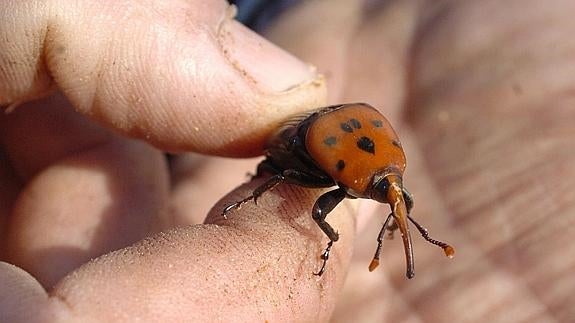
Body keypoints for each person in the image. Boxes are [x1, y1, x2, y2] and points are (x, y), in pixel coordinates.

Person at [1, 0, 573, 321]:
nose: (393, 207)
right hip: (287, 137)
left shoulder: (377, 171)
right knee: (278, 183)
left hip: (322, 110)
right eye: (390, 199)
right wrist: (325, 238)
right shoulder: (335, 174)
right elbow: (314, 171)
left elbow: (384, 183)